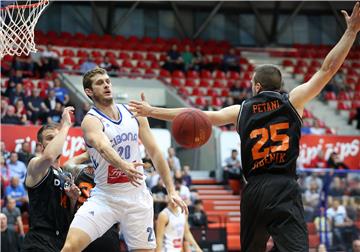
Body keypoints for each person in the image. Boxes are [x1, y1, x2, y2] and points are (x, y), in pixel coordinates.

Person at [129, 5, 360, 251]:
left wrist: (152, 111)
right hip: (284, 186)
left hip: (255, 189)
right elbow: (327, 70)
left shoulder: (240, 111)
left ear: (257, 86)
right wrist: (351, 32)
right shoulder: (294, 101)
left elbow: (196, 115)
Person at [61, 67, 187, 252]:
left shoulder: (133, 112)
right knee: (71, 247)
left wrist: (171, 190)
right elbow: (103, 147)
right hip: (105, 197)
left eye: (107, 81)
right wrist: (124, 166)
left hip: (137, 198)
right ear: (89, 91)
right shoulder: (91, 120)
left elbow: (155, 152)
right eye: (99, 83)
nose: (106, 85)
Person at [22, 107, 81, 252]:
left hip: (62, 241)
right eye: (50, 138)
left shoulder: (66, 175)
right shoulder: (35, 164)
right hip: (39, 241)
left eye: (57, 137)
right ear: (41, 146)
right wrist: (65, 125)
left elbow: (69, 215)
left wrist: (73, 199)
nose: (56, 141)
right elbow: (49, 157)